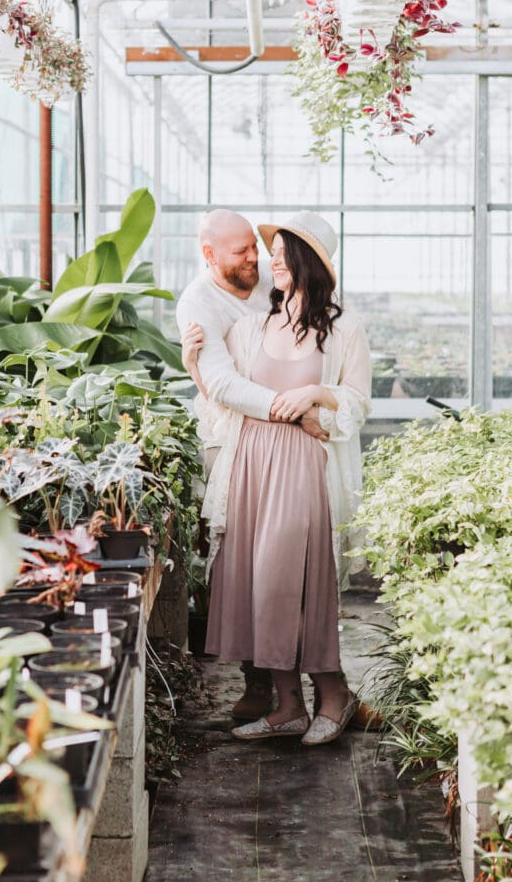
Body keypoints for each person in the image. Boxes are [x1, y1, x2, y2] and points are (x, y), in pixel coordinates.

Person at [192, 210, 372, 744]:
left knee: (295, 582)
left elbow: (358, 404)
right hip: (251, 464)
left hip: (304, 469)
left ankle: (334, 695)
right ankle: (289, 705)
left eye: (282, 250)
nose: (270, 259)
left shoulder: (344, 329)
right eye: (270, 251)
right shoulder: (250, 328)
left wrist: (318, 396)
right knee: (260, 583)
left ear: (308, 260)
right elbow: (223, 394)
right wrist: (191, 362)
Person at [176, 209, 330, 721]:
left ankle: (322, 688)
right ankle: (261, 685)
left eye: (254, 247)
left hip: (289, 436)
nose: (254, 257)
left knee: (290, 562)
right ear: (209, 254)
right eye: (240, 250)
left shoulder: (268, 277)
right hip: (232, 436)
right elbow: (221, 384)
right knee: (241, 562)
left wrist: (307, 407)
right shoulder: (197, 304)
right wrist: (291, 410)